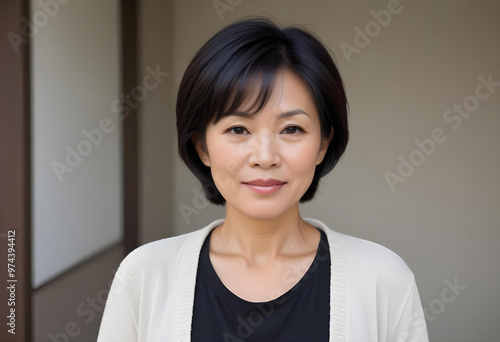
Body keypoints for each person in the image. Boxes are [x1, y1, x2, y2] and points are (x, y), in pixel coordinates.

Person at [97, 17, 429, 342]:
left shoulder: (383, 279)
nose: (265, 156)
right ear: (202, 146)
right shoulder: (144, 275)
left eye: (292, 129)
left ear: (323, 144)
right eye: (238, 129)